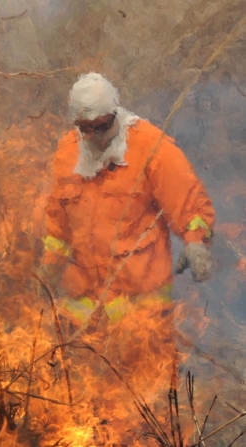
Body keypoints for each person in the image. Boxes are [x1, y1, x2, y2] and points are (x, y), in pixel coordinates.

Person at [39, 72, 215, 444]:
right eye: (84, 128)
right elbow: (57, 221)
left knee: (146, 406)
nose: (93, 136)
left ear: (114, 115)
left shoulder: (151, 147)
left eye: (100, 126)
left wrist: (196, 241)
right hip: (85, 307)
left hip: (141, 308)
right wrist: (48, 265)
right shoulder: (67, 152)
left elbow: (190, 202)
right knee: (87, 408)